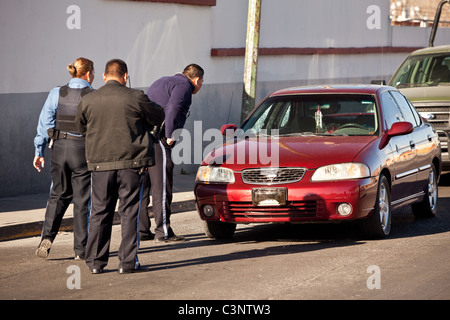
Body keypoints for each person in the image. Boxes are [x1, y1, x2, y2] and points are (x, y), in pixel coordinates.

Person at [75, 59, 164, 274]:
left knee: (99, 212)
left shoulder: (89, 99)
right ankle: (127, 263)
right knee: (129, 212)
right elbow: (159, 115)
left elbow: (81, 127)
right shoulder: (136, 97)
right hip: (132, 164)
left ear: (105, 76)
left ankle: (96, 263)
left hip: (100, 165)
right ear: (125, 76)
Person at [33, 57, 95, 260]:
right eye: (92, 73)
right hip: (81, 150)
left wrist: (39, 151)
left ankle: (46, 238)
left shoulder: (57, 92)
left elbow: (45, 123)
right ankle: (80, 249)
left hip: (59, 149)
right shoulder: (92, 95)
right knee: (82, 199)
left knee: (57, 195)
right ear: (88, 74)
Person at [140, 64, 204, 243]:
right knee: (162, 187)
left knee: (143, 186)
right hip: (158, 139)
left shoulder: (164, 80)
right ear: (197, 79)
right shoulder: (184, 86)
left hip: (143, 139)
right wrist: (169, 135)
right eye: (202, 82)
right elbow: (173, 108)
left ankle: (142, 230)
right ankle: (163, 232)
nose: (200, 85)